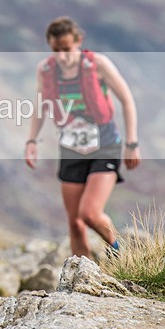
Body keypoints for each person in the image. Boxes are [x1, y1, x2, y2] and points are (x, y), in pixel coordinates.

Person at [24, 17, 141, 257]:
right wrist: (31, 141)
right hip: (71, 146)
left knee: (90, 214)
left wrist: (132, 143)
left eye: (67, 49)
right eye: (56, 51)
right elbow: (41, 106)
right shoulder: (45, 71)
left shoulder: (98, 64)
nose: (62, 57)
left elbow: (127, 101)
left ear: (78, 42)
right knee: (75, 222)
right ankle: (81, 278)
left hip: (105, 144)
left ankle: (124, 254)